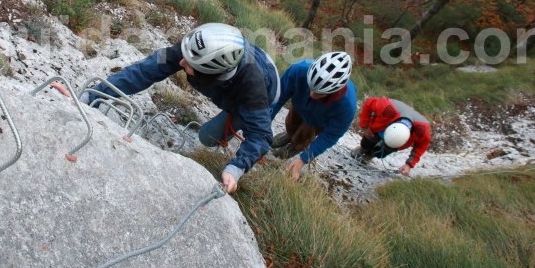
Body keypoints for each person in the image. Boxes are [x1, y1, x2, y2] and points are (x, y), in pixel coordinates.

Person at [81, 23, 280, 194]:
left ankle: (233, 119)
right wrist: (95, 94)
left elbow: (261, 135)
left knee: (207, 137)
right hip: (238, 70)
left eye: (190, 64)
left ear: (212, 74)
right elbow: (146, 70)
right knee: (209, 135)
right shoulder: (194, 50)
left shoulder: (253, 90)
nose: (182, 62)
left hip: (266, 86)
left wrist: (235, 168)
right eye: (184, 57)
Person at [269, 51, 357, 181]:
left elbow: (330, 136)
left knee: (303, 136)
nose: (312, 94)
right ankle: (289, 135)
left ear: (334, 91)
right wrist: (263, 125)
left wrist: (303, 159)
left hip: (319, 121)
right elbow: (277, 97)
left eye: (320, 93)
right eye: (310, 87)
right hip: (299, 106)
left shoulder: (347, 106)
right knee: (291, 124)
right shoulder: (298, 70)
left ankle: (293, 146)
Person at [350, 97, 432, 175]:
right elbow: (369, 103)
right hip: (381, 125)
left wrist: (409, 165)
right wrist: (365, 127)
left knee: (381, 152)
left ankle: (369, 155)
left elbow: (422, 146)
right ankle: (362, 149)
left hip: (398, 139)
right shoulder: (387, 108)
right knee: (367, 142)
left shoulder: (422, 131)